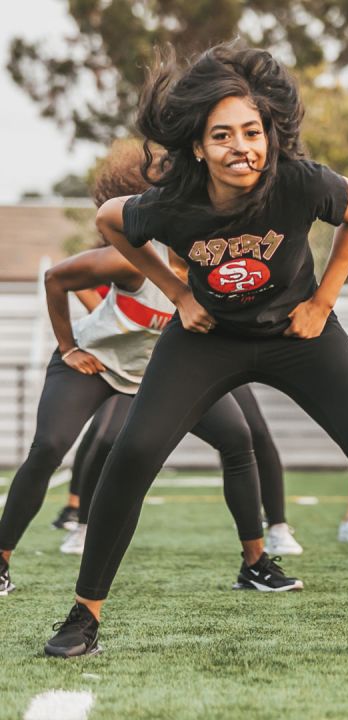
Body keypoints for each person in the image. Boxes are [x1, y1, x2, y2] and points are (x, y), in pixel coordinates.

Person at [42, 42, 348, 658]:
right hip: (208, 340)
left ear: (270, 135)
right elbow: (114, 221)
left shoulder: (300, 182)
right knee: (133, 450)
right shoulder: (174, 201)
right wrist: (177, 290)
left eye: (252, 131)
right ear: (198, 147)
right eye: (222, 135)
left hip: (297, 336)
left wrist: (323, 301)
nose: (241, 146)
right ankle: (83, 616)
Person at [0, 141, 303, 597]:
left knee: (238, 440)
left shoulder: (222, 259)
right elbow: (55, 278)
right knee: (49, 447)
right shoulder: (137, 258)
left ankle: (255, 564)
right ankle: (2, 560)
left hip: (160, 372)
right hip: (97, 364)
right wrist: (67, 347)